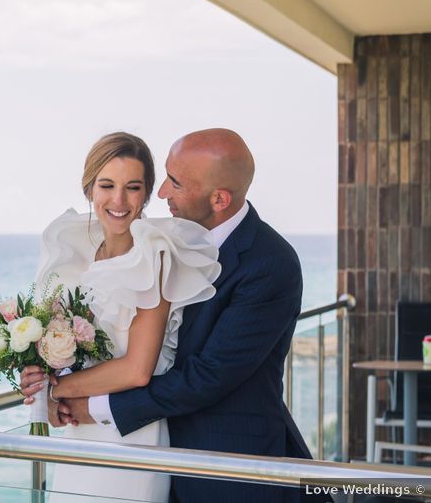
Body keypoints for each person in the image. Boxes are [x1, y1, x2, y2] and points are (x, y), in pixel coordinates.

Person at [22, 128, 314, 503]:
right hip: (119, 440)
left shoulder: (269, 263)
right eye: (106, 185)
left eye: (172, 183)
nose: (162, 193)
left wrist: (80, 400)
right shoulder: (155, 242)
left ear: (219, 198)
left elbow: (206, 376)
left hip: (225, 463)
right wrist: (47, 380)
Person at [24, 131, 222, 502]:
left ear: (147, 194)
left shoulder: (155, 255)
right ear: (89, 189)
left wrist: (60, 390)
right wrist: (42, 381)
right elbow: (60, 349)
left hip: (131, 436)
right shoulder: (74, 249)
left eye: (133, 187)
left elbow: (137, 369)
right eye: (106, 185)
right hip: (79, 435)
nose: (118, 200)